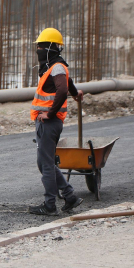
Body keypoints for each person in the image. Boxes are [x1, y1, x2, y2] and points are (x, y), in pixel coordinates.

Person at [29, 28, 85, 216]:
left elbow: (61, 90)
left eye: (41, 46)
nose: (38, 49)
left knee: (46, 164)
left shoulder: (57, 67)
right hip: (47, 123)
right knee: (44, 162)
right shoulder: (55, 67)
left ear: (50, 48)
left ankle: (50, 205)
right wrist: (76, 93)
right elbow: (67, 85)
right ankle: (70, 196)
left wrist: (50, 114)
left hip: (48, 123)